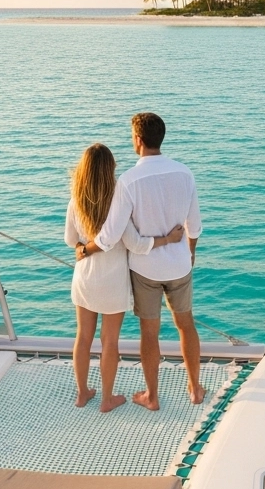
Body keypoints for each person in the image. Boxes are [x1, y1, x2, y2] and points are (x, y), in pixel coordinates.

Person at [94, 113, 204, 411]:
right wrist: (189, 252)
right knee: (186, 325)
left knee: (149, 333)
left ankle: (152, 396)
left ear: (138, 140)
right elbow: (194, 226)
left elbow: (111, 233)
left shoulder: (129, 181)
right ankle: (194, 388)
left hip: (145, 268)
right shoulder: (185, 173)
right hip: (179, 265)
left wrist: (87, 248)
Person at [65, 143, 184, 412]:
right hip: (113, 281)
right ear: (110, 170)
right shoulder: (117, 203)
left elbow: (70, 240)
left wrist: (83, 247)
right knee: (110, 341)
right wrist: (169, 239)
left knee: (83, 337)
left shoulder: (76, 200)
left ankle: (82, 393)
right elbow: (136, 243)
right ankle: (107, 399)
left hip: (85, 277)